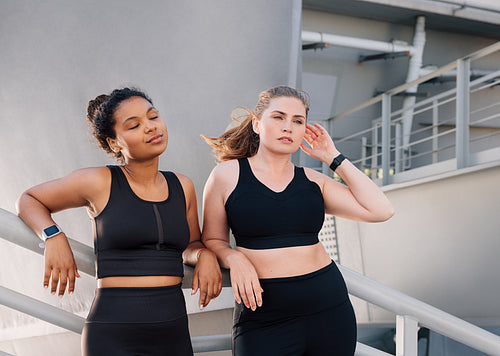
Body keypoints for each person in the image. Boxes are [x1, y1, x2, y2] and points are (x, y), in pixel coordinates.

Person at [17, 88, 222, 356]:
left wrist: (204, 254)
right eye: (135, 125)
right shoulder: (98, 181)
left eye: (153, 117)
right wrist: (53, 235)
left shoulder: (183, 186)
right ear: (114, 143)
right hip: (114, 333)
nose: (151, 127)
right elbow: (29, 198)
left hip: (173, 331)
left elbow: (190, 244)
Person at [201, 85, 394, 356]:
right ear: (257, 124)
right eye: (278, 117)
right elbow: (212, 239)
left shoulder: (314, 181)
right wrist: (234, 259)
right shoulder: (225, 175)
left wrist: (332, 157)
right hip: (262, 316)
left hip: (328, 310)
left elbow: (381, 209)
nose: (288, 127)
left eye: (298, 121)